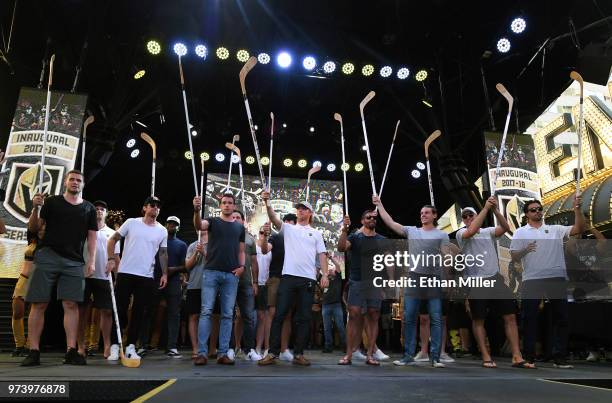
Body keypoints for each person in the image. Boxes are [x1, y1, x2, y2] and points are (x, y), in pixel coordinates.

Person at [21, 170, 97, 366]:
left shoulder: (89, 208)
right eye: (71, 179)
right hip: (47, 256)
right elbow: (34, 228)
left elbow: (92, 237)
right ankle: (34, 350)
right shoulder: (52, 202)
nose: (75, 182)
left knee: (71, 305)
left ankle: (71, 350)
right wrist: (35, 208)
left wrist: (91, 261)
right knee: (39, 303)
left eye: (79, 180)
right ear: (65, 182)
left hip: (74, 261)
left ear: (83, 185)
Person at [374, 196, 453, 368]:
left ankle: (435, 358)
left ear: (434, 216)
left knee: (436, 318)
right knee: (409, 317)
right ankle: (408, 356)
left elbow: (447, 257)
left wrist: (447, 280)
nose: (423, 215)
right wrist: (379, 205)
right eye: (421, 213)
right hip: (414, 277)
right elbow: (390, 222)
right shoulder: (412, 231)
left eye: (426, 213)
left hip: (433, 279)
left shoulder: (442, 234)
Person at [456, 198, 534, 369]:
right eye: (465, 216)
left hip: (494, 278)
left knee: (510, 316)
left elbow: (506, 228)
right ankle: (485, 356)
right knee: (479, 320)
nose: (468, 217)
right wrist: (485, 208)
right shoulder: (461, 233)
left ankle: (516, 355)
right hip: (476, 282)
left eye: (471, 215)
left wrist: (495, 210)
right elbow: (471, 231)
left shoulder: (487, 231)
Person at [510, 196, 584, 368]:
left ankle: (559, 357)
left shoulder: (555, 229)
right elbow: (514, 256)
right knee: (530, 318)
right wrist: (525, 250)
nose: (538, 212)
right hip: (532, 279)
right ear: (526, 214)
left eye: (539, 208)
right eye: (533, 210)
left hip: (556, 277)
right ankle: (529, 357)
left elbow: (579, 228)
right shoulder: (521, 232)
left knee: (562, 317)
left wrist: (577, 209)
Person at [258, 191, 329, 366]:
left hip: (307, 279)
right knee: (279, 314)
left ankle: (298, 354)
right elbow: (274, 218)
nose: (301, 211)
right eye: (299, 209)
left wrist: (325, 274)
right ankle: (273, 353)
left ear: (310, 213)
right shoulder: (288, 229)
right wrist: (267, 203)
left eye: (304, 209)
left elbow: (322, 255)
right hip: (288, 277)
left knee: (304, 317)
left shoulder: (317, 233)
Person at [106, 196, 168, 360]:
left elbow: (163, 253)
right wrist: (111, 259)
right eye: (152, 205)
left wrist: (165, 273)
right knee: (120, 309)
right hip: (126, 272)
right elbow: (113, 239)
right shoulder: (132, 222)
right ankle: (114, 345)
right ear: (145, 208)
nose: (155, 208)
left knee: (139, 312)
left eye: (158, 206)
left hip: (146, 275)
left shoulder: (162, 230)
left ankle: (131, 346)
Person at [192, 193, 245, 366]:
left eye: (230, 203)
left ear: (234, 205)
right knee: (206, 311)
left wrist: (242, 267)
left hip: (231, 274)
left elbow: (241, 251)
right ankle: (202, 352)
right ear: (220, 205)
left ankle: (223, 353)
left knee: (227, 315)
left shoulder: (239, 227)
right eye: (224, 203)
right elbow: (199, 225)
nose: (227, 205)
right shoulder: (212, 221)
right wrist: (196, 210)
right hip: (212, 272)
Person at [338, 211, 384, 366]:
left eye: (374, 218)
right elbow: (341, 247)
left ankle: (370, 354)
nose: (372, 219)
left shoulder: (381, 240)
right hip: (357, 281)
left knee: (373, 315)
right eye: (368, 217)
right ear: (362, 220)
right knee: (354, 316)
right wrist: (344, 229)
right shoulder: (355, 237)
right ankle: (349, 354)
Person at [77, 200, 120, 360]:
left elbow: (116, 257)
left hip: (104, 276)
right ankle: (80, 346)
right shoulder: (84, 231)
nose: (99, 211)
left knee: (107, 312)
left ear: (106, 213)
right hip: (85, 275)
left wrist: (118, 277)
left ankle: (107, 345)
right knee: (81, 312)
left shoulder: (112, 233)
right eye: (97, 209)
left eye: (103, 209)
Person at [259, 213, 298, 361]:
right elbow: (264, 250)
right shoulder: (275, 237)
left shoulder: (299, 238)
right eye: (285, 222)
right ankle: (269, 349)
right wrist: (264, 236)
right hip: (276, 278)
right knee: (272, 313)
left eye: (290, 223)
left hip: (291, 278)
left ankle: (284, 349)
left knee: (287, 314)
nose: (286, 225)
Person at [229, 210, 261, 361]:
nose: (235, 219)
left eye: (238, 217)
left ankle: (249, 349)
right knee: (228, 315)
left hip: (246, 283)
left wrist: (255, 282)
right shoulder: (224, 236)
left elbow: (254, 263)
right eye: (233, 217)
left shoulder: (249, 239)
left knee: (249, 317)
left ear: (243, 221)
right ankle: (229, 349)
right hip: (228, 281)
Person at [11, 224, 44, 357]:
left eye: (45, 228)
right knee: (17, 312)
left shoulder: (50, 246)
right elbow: (32, 225)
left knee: (34, 314)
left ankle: (30, 345)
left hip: (39, 281)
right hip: (24, 279)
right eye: (40, 228)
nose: (42, 230)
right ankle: (19, 344)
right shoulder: (31, 240)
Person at [162, 215, 188, 358]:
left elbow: (185, 266)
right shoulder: (158, 240)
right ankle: (143, 345)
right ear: (165, 225)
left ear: (179, 227)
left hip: (173, 281)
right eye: (170, 223)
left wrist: (173, 270)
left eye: (175, 224)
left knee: (174, 314)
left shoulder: (182, 245)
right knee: (149, 311)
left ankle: (171, 346)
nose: (172, 226)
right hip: (156, 278)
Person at [185, 229, 208, 360]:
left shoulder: (215, 244)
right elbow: (187, 266)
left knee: (211, 316)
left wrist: (204, 252)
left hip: (211, 286)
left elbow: (216, 263)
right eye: (199, 228)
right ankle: (195, 348)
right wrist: (196, 253)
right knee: (193, 316)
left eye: (204, 227)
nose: (202, 230)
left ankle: (209, 348)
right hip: (194, 284)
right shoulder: (192, 245)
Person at [321, 252, 346, 354]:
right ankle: (328, 347)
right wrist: (325, 273)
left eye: (332, 268)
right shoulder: (324, 279)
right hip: (325, 305)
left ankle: (345, 346)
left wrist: (330, 257)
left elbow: (338, 265)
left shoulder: (338, 278)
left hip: (336, 305)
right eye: (329, 268)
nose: (331, 269)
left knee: (340, 326)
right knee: (327, 327)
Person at [255, 226, 272, 356]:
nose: (263, 235)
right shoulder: (253, 246)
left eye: (266, 233)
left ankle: (264, 347)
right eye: (261, 232)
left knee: (264, 317)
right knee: (242, 317)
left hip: (265, 285)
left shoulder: (271, 248)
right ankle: (239, 346)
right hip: (253, 284)